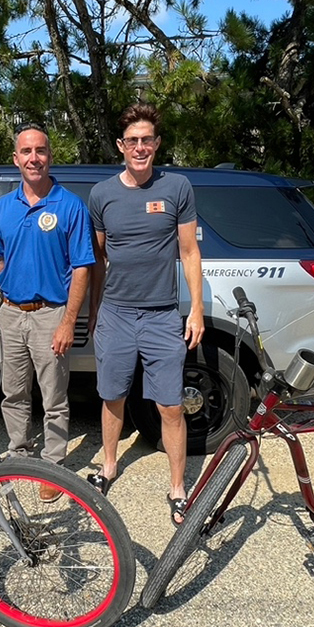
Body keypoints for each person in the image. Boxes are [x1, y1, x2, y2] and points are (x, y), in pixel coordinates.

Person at [87, 102, 204, 526]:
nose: (140, 147)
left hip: (161, 316)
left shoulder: (177, 187)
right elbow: (97, 259)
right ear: (121, 145)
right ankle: (109, 467)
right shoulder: (101, 194)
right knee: (112, 397)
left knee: (170, 406)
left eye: (147, 140)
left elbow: (190, 251)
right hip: (116, 313)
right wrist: (95, 310)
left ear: (156, 144)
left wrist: (196, 312)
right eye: (132, 140)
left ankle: (177, 487)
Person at [0, 123, 95, 502]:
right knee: (13, 393)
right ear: (16, 159)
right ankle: (18, 456)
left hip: (51, 314)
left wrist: (68, 321)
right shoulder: (3, 207)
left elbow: (82, 267)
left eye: (41, 151)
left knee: (54, 396)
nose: (34, 158)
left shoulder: (70, 205)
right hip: (9, 313)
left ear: (50, 156)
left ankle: (52, 465)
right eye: (26, 152)